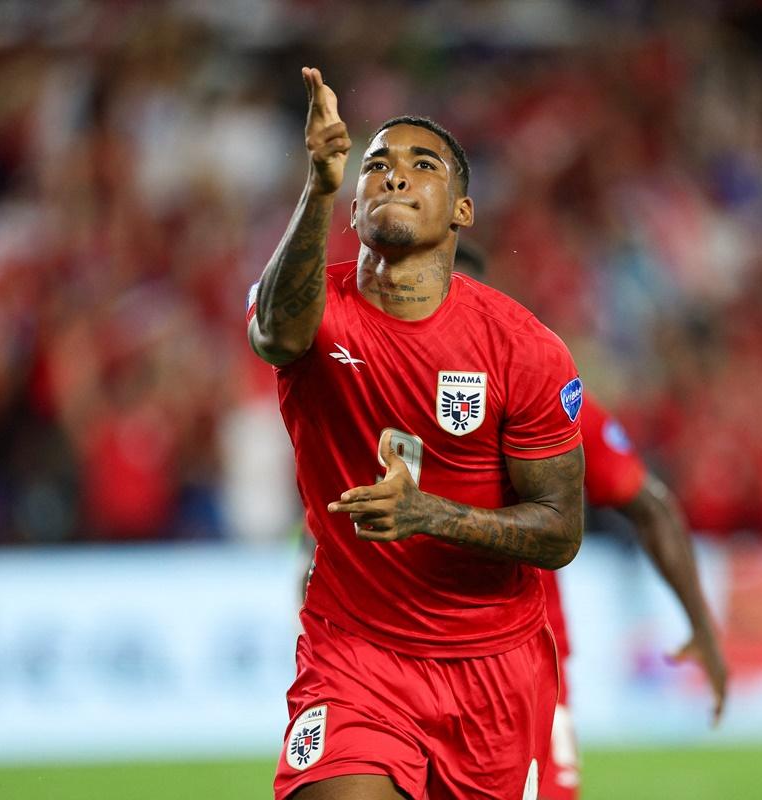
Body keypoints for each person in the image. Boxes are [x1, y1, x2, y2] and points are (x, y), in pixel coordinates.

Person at [248, 67, 586, 800]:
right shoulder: (314, 309)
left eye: (420, 165)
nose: (393, 175)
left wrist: (429, 515)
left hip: (493, 670)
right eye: (376, 165)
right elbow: (274, 334)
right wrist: (318, 183)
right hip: (356, 653)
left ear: (462, 210)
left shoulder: (522, 349)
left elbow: (560, 531)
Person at [452, 241, 728, 800]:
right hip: (397, 661)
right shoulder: (367, 391)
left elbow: (648, 506)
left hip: (521, 667)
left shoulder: (543, 397)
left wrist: (700, 620)